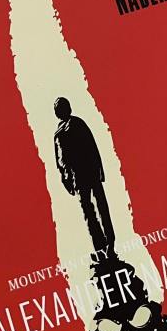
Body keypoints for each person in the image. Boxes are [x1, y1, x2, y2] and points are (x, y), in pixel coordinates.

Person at [53, 97, 116, 254]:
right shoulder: (59, 134)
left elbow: (91, 149)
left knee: (99, 208)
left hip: (89, 174)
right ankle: (101, 247)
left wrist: (99, 172)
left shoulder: (77, 125)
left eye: (63, 108)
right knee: (90, 212)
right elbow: (60, 162)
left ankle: (108, 243)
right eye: (60, 109)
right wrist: (67, 180)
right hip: (79, 179)